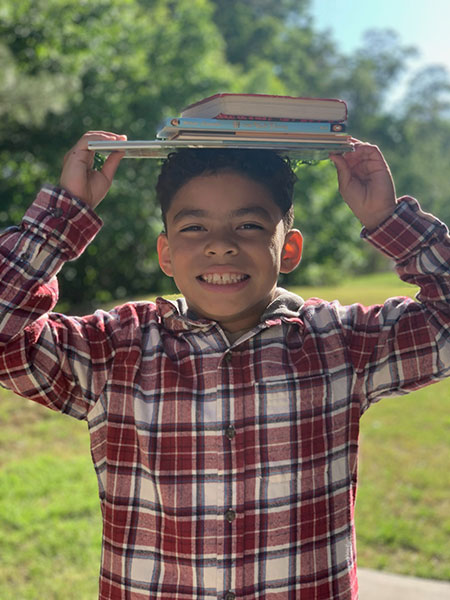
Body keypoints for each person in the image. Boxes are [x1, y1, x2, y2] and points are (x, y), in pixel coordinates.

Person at [1, 130, 449, 600]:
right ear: (166, 254)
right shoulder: (114, 350)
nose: (220, 245)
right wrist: (61, 218)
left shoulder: (341, 344)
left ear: (289, 249)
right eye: (194, 227)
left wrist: (387, 219)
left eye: (249, 226)